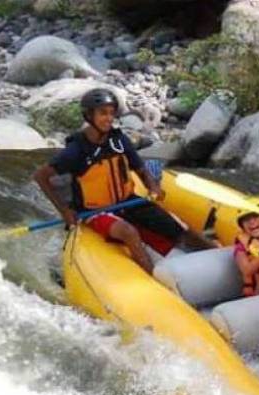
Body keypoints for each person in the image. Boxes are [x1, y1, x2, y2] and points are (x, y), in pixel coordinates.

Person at [32, 88, 216, 274]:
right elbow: (41, 176)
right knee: (128, 232)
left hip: (128, 201)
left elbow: (140, 168)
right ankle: (153, 278)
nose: (109, 118)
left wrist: (152, 186)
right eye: (103, 113)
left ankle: (217, 254)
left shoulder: (119, 141)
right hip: (94, 211)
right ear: (89, 115)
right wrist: (64, 211)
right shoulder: (76, 150)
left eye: (112, 113)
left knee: (177, 227)